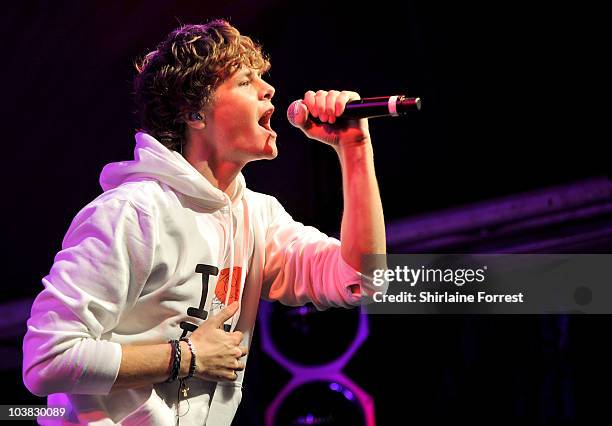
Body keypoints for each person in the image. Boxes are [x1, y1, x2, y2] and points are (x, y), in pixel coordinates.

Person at [22, 19, 386, 425]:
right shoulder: (133, 212)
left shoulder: (257, 216)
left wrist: (354, 147)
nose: (269, 90)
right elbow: (46, 359)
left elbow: (361, 278)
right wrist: (186, 357)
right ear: (195, 111)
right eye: (246, 81)